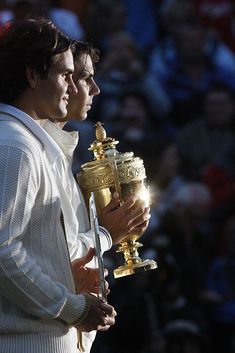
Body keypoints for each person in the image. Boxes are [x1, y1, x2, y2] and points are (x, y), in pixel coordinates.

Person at [0, 18, 150, 353]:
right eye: (68, 75)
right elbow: (2, 251)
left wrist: (75, 280)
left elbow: (40, 248)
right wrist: (73, 306)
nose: (76, 87)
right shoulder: (14, 145)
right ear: (33, 75)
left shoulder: (28, 143)